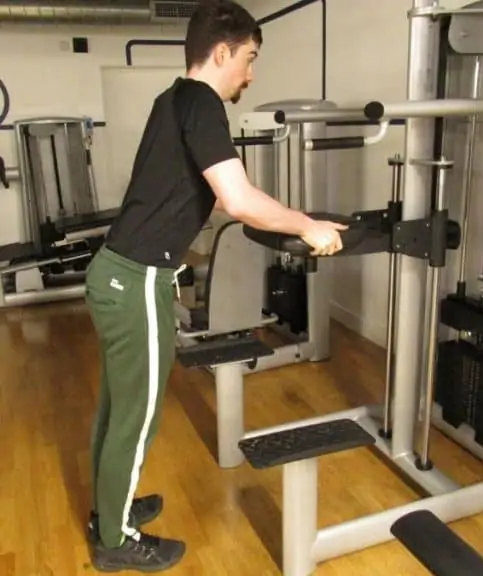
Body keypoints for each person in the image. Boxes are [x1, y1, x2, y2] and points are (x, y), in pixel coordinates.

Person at [82, 0, 346, 572]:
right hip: (135, 280)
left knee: (117, 406)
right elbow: (238, 200)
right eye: (249, 59)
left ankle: (111, 509)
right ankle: (115, 541)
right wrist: (309, 225)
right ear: (222, 51)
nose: (251, 74)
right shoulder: (202, 102)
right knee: (137, 415)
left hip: (117, 274)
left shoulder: (171, 98)